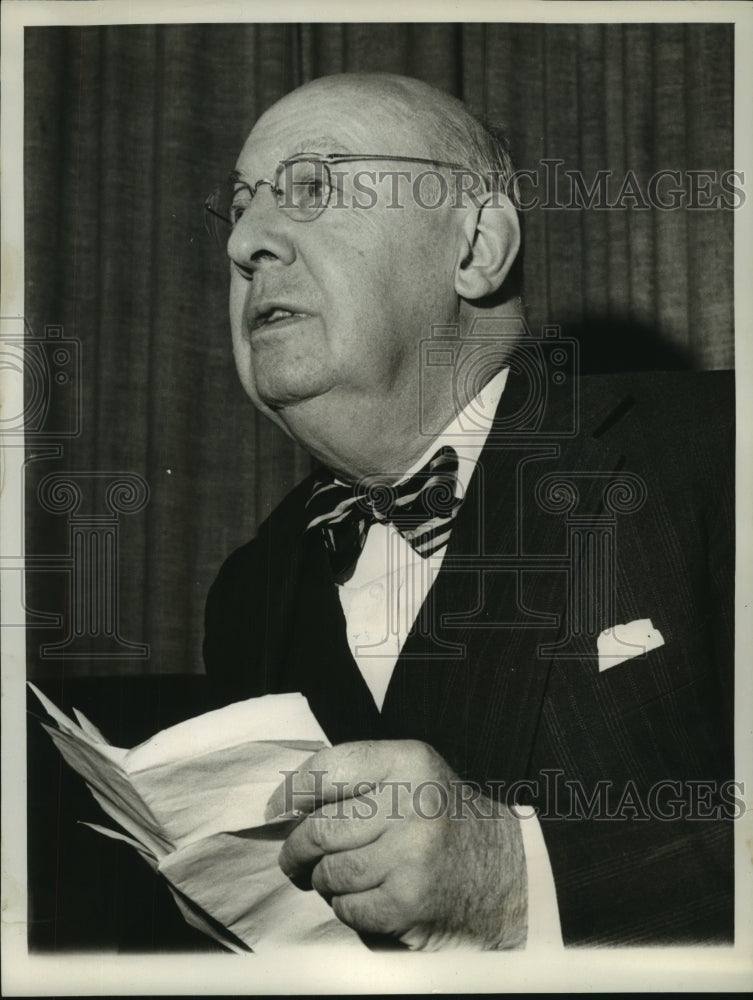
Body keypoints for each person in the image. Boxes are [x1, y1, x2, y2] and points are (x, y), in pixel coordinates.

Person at [202, 72, 735, 950]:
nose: (247, 243)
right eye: (238, 210)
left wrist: (517, 878)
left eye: (311, 188)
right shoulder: (251, 587)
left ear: (476, 247)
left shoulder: (721, 452)